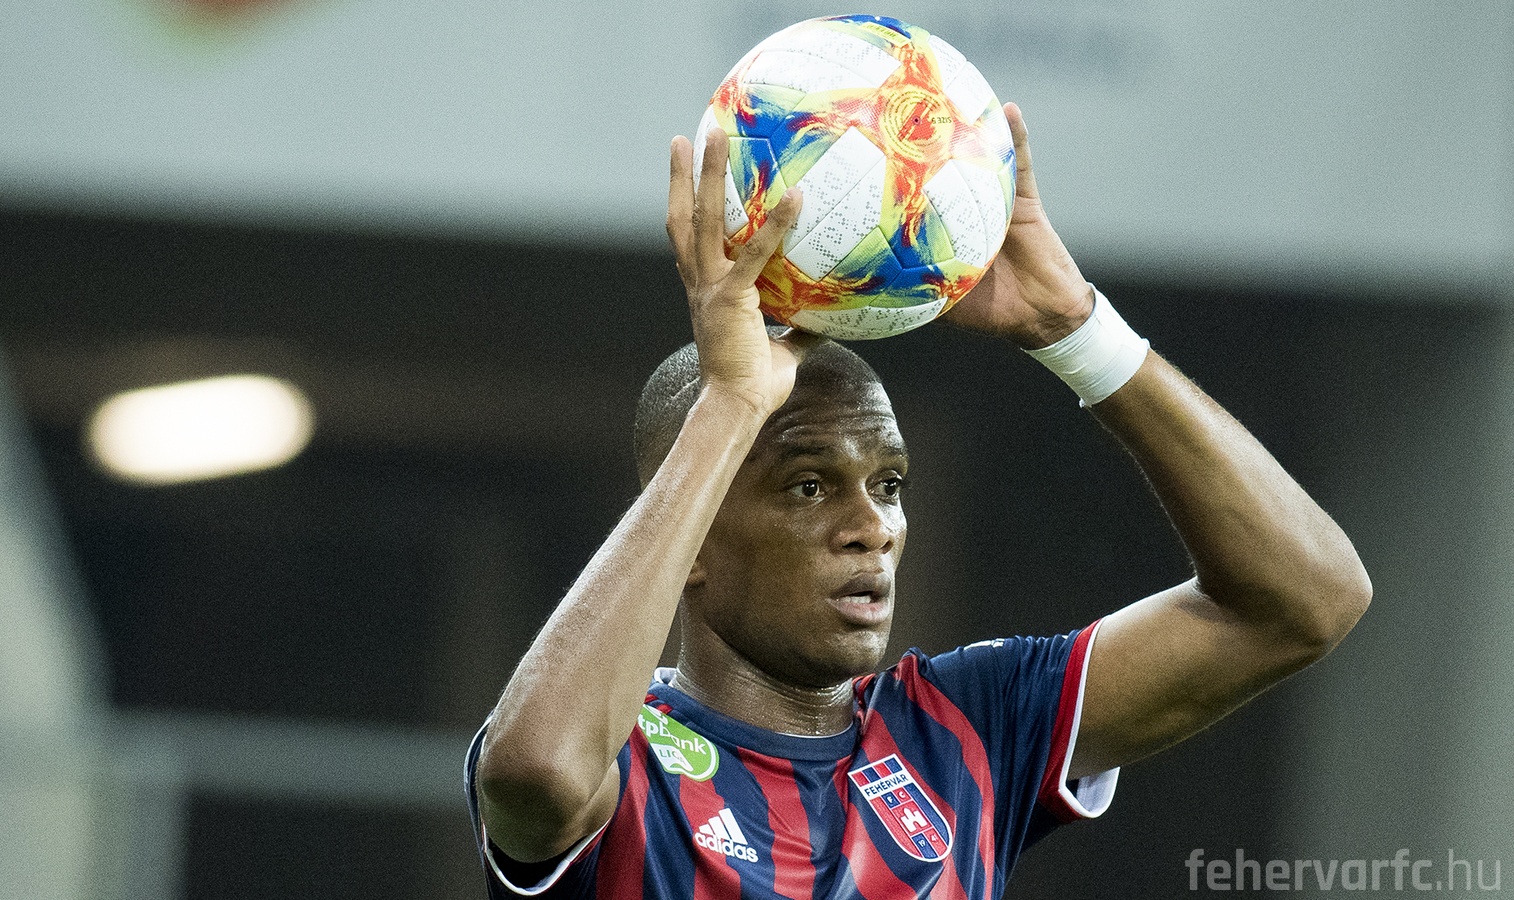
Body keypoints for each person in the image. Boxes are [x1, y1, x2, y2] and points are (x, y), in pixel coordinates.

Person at [463, 102, 1371, 898]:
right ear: (694, 535)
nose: (872, 529)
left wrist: (1078, 333)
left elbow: (1309, 599)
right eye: (809, 485)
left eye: (889, 485)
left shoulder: (970, 725)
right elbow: (538, 772)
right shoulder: (623, 757)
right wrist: (732, 404)